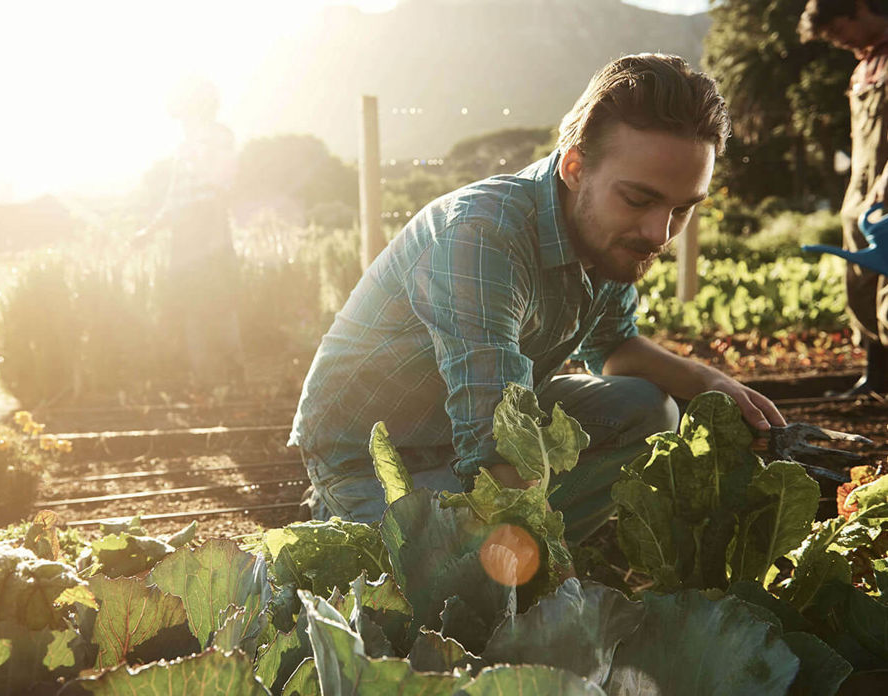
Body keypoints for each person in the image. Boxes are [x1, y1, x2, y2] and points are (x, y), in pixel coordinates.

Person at [289, 53, 786, 543]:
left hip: (475, 431)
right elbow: (494, 440)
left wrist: (712, 381)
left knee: (649, 410)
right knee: (442, 593)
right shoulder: (482, 234)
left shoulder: (609, 238)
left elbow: (614, 348)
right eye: (639, 199)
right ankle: (343, 515)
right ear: (574, 168)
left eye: (683, 209)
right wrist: (537, 555)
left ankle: (519, 558)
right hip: (377, 457)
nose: (659, 233)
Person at [134, 75, 245, 394]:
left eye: (182, 109)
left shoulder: (215, 138)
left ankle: (227, 380)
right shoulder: (188, 146)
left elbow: (220, 184)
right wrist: (148, 231)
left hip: (206, 227)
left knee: (217, 303)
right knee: (196, 306)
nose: (179, 117)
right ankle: (209, 383)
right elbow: (175, 199)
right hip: (189, 231)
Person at [799, 0, 888, 395]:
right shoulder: (862, 69)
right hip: (861, 194)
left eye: (838, 32)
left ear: (857, 10)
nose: (838, 43)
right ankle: (876, 378)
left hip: (885, 190)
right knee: (860, 283)